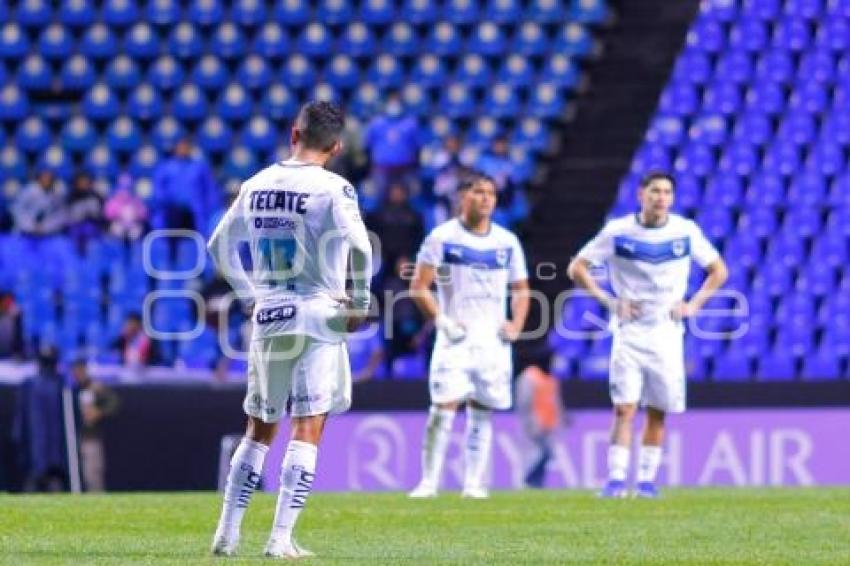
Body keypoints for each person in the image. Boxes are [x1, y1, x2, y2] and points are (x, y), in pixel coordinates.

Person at [207, 101, 372, 558]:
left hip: (269, 315)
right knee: (307, 425)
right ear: (336, 146)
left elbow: (219, 245)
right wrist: (358, 302)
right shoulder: (334, 190)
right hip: (318, 314)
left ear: (293, 133)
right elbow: (360, 247)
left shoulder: (256, 184)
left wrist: (249, 295)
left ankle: (227, 534)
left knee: (258, 429)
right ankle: (280, 538)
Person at [567, 171, 728, 498]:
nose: (661, 198)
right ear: (641, 195)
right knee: (624, 408)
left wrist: (693, 305)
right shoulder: (618, 231)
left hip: (667, 334)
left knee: (658, 410)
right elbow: (577, 267)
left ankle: (645, 482)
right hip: (630, 333)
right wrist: (609, 302)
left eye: (667, 192)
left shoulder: (684, 231)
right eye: (655, 191)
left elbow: (718, 270)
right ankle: (614, 481)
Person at [408, 173, 529, 499]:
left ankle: (474, 484)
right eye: (478, 192)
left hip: (493, 340)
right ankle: (428, 482)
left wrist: (516, 324)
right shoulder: (442, 237)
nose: (486, 198)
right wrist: (441, 321)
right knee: (442, 408)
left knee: (482, 410)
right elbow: (418, 287)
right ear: (463, 197)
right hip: (456, 338)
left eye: (491, 192)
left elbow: (521, 290)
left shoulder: (506, 242)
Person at [12, 346, 69, 492]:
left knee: (54, 480)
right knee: (34, 477)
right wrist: (17, 434)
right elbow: (21, 414)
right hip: (34, 443)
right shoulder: (29, 384)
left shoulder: (61, 384)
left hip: (55, 445)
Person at [151, 136, 220, 234]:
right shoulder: (165, 167)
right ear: (176, 148)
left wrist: (210, 209)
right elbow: (158, 192)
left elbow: (210, 190)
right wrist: (168, 202)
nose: (183, 149)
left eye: (186, 146)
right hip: (172, 212)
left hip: (195, 213)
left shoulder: (200, 167)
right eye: (181, 146)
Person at [70, 358, 120, 492]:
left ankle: (97, 501)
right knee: (76, 475)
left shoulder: (96, 388)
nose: (78, 374)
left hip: (91, 438)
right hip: (72, 439)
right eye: (75, 372)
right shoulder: (71, 390)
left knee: (93, 475)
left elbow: (114, 404)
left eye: (80, 371)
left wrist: (98, 412)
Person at [516, 357, 563, 488]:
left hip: (548, 423)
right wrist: (529, 421)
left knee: (547, 453)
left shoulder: (551, 378)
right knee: (542, 452)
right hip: (534, 423)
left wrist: (560, 420)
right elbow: (524, 401)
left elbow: (555, 402)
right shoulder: (529, 376)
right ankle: (528, 480)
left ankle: (536, 482)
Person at [363, 92, 420, 198]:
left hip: (405, 169)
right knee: (377, 198)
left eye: (396, 102)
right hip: (382, 169)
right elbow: (368, 146)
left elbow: (417, 147)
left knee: (411, 197)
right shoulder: (376, 123)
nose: (394, 105)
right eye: (391, 102)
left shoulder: (410, 123)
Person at [11, 169, 66, 237]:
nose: (46, 180)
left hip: (47, 230)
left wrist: (45, 227)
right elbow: (17, 209)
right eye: (44, 177)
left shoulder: (57, 193)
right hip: (26, 229)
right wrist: (31, 226)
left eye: (49, 178)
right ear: (39, 178)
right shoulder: (29, 190)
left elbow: (60, 213)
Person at [66, 171, 105, 253]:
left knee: (90, 233)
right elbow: (67, 215)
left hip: (92, 226)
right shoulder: (70, 197)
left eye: (85, 182)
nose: (83, 184)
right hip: (75, 226)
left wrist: (91, 214)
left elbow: (100, 215)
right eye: (81, 182)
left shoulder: (96, 196)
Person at [104, 173, 148, 242]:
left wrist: (136, 214)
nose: (125, 189)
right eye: (122, 185)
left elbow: (143, 214)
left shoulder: (136, 199)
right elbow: (108, 214)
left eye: (127, 186)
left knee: (136, 232)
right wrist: (117, 214)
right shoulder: (114, 199)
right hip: (119, 224)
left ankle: (134, 250)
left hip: (134, 225)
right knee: (116, 229)